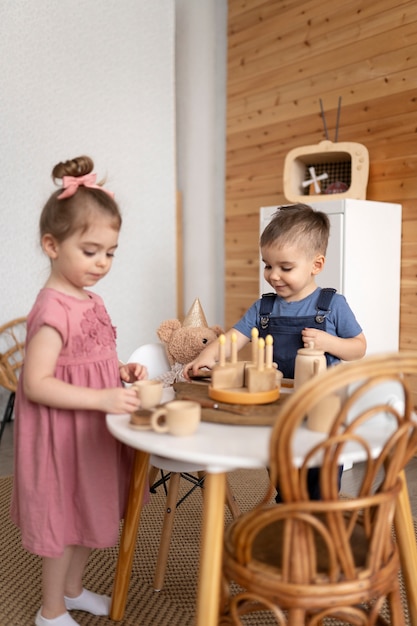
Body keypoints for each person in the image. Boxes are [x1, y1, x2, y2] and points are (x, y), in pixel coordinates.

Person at [10, 156, 147, 626]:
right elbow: (37, 383)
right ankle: (49, 612)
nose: (102, 264)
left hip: (94, 429)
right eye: (90, 251)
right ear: (52, 244)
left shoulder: (93, 299)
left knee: (92, 508)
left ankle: (72, 590)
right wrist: (101, 398)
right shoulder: (51, 309)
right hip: (62, 435)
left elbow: (94, 355)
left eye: (110, 252)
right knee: (63, 519)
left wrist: (120, 370)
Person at [183, 203, 366, 500]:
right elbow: (232, 339)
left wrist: (329, 343)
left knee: (320, 478)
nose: (274, 275)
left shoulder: (333, 305)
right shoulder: (263, 308)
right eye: (268, 265)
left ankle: (318, 516)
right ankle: (289, 510)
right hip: (277, 407)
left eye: (286, 267)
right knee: (283, 474)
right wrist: (205, 359)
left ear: (316, 265)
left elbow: (359, 347)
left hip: (321, 410)